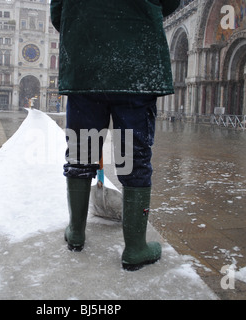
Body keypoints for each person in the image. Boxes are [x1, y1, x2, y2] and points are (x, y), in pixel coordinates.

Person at [51, 0, 180, 271]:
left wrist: (91, 23)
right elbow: (169, 3)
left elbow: (58, 14)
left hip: (85, 69)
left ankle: (76, 233)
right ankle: (135, 248)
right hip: (135, 69)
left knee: (82, 153)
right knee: (131, 156)